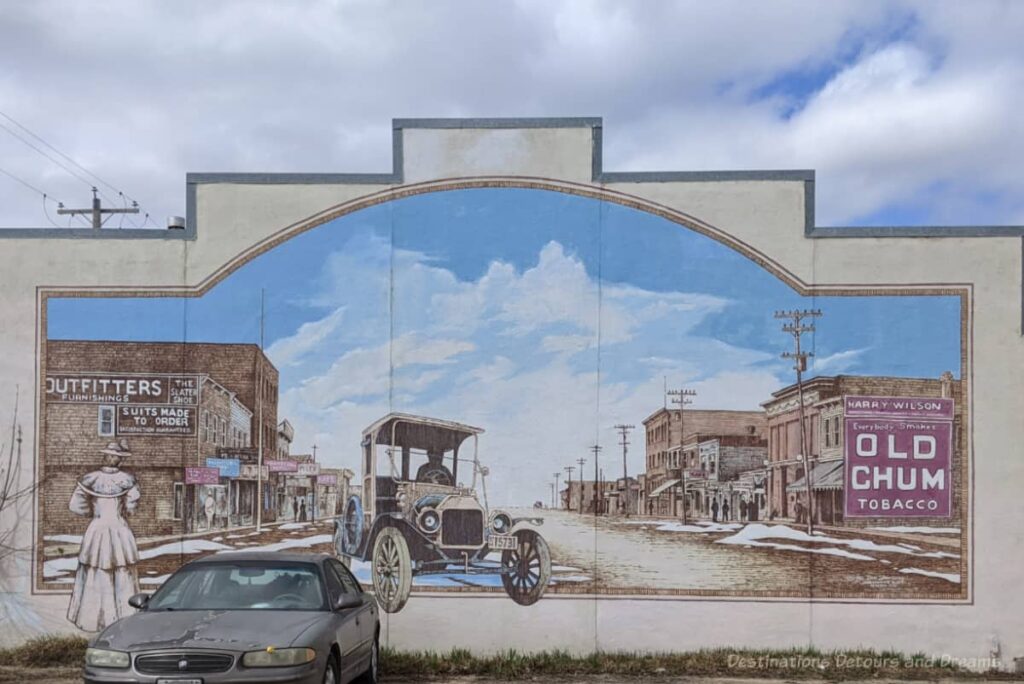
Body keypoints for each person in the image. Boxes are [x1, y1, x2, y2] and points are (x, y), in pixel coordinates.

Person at [66, 440, 141, 632]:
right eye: (118, 457)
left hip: (97, 528)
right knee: (121, 571)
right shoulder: (128, 480)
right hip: (118, 528)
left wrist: (94, 514)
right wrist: (121, 511)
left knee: (95, 571)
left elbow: (76, 505)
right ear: (116, 459)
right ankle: (122, 618)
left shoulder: (90, 479)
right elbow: (132, 506)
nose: (117, 460)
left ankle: (92, 620)